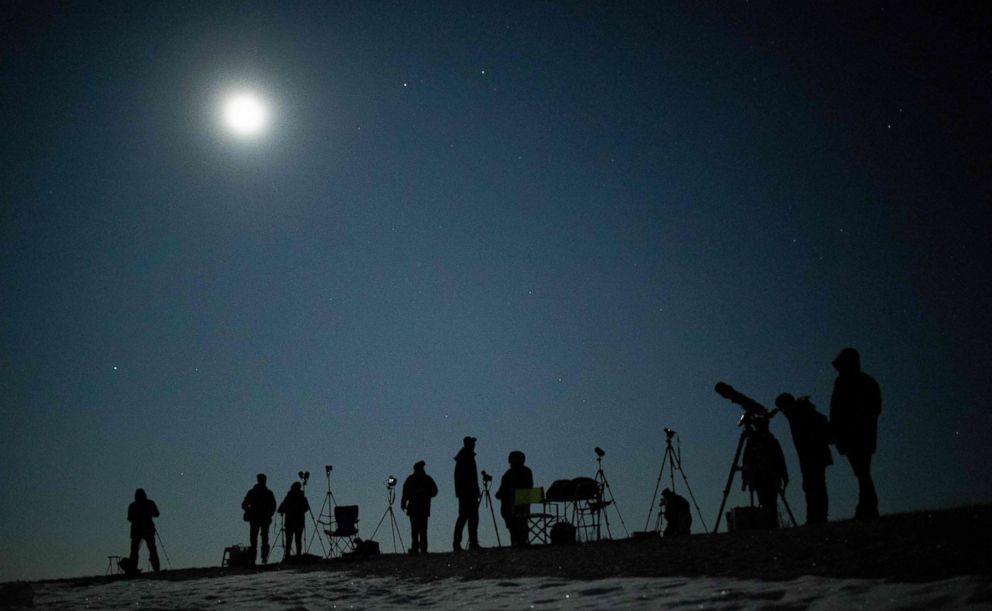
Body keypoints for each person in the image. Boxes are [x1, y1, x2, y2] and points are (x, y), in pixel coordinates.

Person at [830, 347, 882, 518]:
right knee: (862, 470)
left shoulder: (844, 382)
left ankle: (868, 506)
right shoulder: (868, 381)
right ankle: (867, 506)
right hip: (863, 434)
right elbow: (876, 407)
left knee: (861, 471)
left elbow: (836, 410)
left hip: (853, 434)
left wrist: (840, 429)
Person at [776, 393, 833, 524]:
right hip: (810, 456)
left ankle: (817, 517)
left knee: (815, 486)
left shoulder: (801, 413)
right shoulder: (801, 412)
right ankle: (815, 517)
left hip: (814, 455)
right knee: (812, 486)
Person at [741, 417, 788, 528]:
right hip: (760, 477)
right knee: (766, 502)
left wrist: (784, 475)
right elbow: (747, 460)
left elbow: (779, 459)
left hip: (769, 476)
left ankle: (771, 524)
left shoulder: (770, 441)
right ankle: (770, 524)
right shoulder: (762, 441)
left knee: (770, 502)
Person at [495, 451, 534, 546]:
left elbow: (502, 491)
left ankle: (516, 539)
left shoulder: (508, 474)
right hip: (525, 506)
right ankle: (523, 539)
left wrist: (498, 495)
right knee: (521, 520)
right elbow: (530, 487)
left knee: (509, 514)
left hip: (511, 508)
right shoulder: (528, 471)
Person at [400, 460, 439, 555]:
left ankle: (416, 548)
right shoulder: (426, 479)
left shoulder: (411, 479)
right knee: (422, 529)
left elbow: (405, 493)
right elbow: (435, 491)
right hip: (423, 508)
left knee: (415, 529)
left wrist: (403, 503)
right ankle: (423, 549)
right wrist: (427, 495)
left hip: (415, 508)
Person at [452, 436, 481, 551]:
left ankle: (471, 542)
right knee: (465, 517)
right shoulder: (465, 457)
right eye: (472, 443)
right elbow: (465, 478)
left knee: (470, 518)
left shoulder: (465, 457)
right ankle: (462, 543)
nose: (474, 445)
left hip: (468, 493)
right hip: (467, 493)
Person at [242, 473, 277, 565]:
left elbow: (273, 506)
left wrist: (249, 511)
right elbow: (244, 504)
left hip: (258, 518)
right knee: (260, 539)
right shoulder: (266, 493)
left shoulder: (254, 492)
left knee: (256, 539)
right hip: (259, 518)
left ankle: (258, 559)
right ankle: (260, 559)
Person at [127, 488, 160, 574]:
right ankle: (155, 568)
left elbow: (129, 518)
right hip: (142, 530)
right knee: (149, 548)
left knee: (138, 550)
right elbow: (156, 513)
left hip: (141, 530)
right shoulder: (148, 503)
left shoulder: (133, 505)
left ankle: (134, 569)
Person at [277, 481, 310, 559]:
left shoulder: (289, 497)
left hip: (290, 521)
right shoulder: (301, 497)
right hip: (298, 521)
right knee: (297, 539)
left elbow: (281, 508)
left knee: (289, 539)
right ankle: (298, 555)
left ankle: (288, 555)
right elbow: (306, 508)